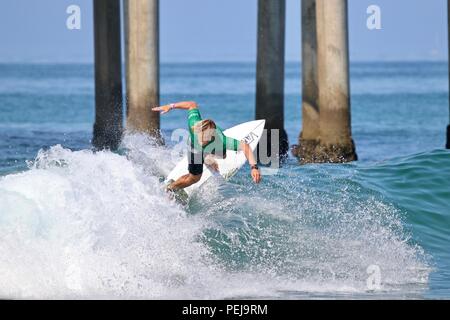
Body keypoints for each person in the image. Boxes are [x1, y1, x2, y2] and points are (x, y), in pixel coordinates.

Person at [152, 101, 261, 191]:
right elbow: (192, 104)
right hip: (194, 149)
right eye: (200, 136)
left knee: (223, 155)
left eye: (205, 138)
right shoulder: (194, 124)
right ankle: (171, 188)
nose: (201, 140)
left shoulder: (221, 140)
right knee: (194, 178)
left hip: (213, 147)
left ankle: (208, 158)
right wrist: (170, 106)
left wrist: (254, 168)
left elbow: (245, 146)